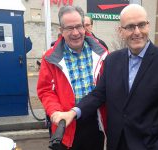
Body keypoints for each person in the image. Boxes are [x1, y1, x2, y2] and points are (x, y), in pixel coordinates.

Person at [53, 4, 158, 150]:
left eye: (141, 25)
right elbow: (98, 94)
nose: (137, 32)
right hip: (116, 143)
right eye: (130, 27)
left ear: (148, 26)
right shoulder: (112, 60)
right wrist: (73, 112)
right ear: (120, 31)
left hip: (150, 145)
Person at [37, 5, 108, 150]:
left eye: (78, 26)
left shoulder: (101, 53)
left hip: (95, 122)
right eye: (69, 28)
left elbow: (107, 87)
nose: (75, 33)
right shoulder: (50, 57)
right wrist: (55, 112)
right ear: (61, 31)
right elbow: (45, 90)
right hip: (65, 124)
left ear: (84, 27)